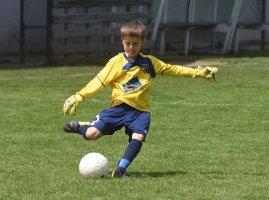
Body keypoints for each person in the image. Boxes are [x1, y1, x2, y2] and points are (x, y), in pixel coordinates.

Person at [63, 20, 218, 178]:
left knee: (138, 137)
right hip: (119, 108)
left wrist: (198, 73)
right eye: (127, 43)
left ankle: (120, 170)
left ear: (143, 42)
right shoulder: (116, 62)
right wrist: (80, 95)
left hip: (141, 111)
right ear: (122, 41)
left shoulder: (150, 62)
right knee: (91, 135)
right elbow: (100, 80)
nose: (131, 47)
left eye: (135, 43)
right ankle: (82, 127)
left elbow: (173, 69)